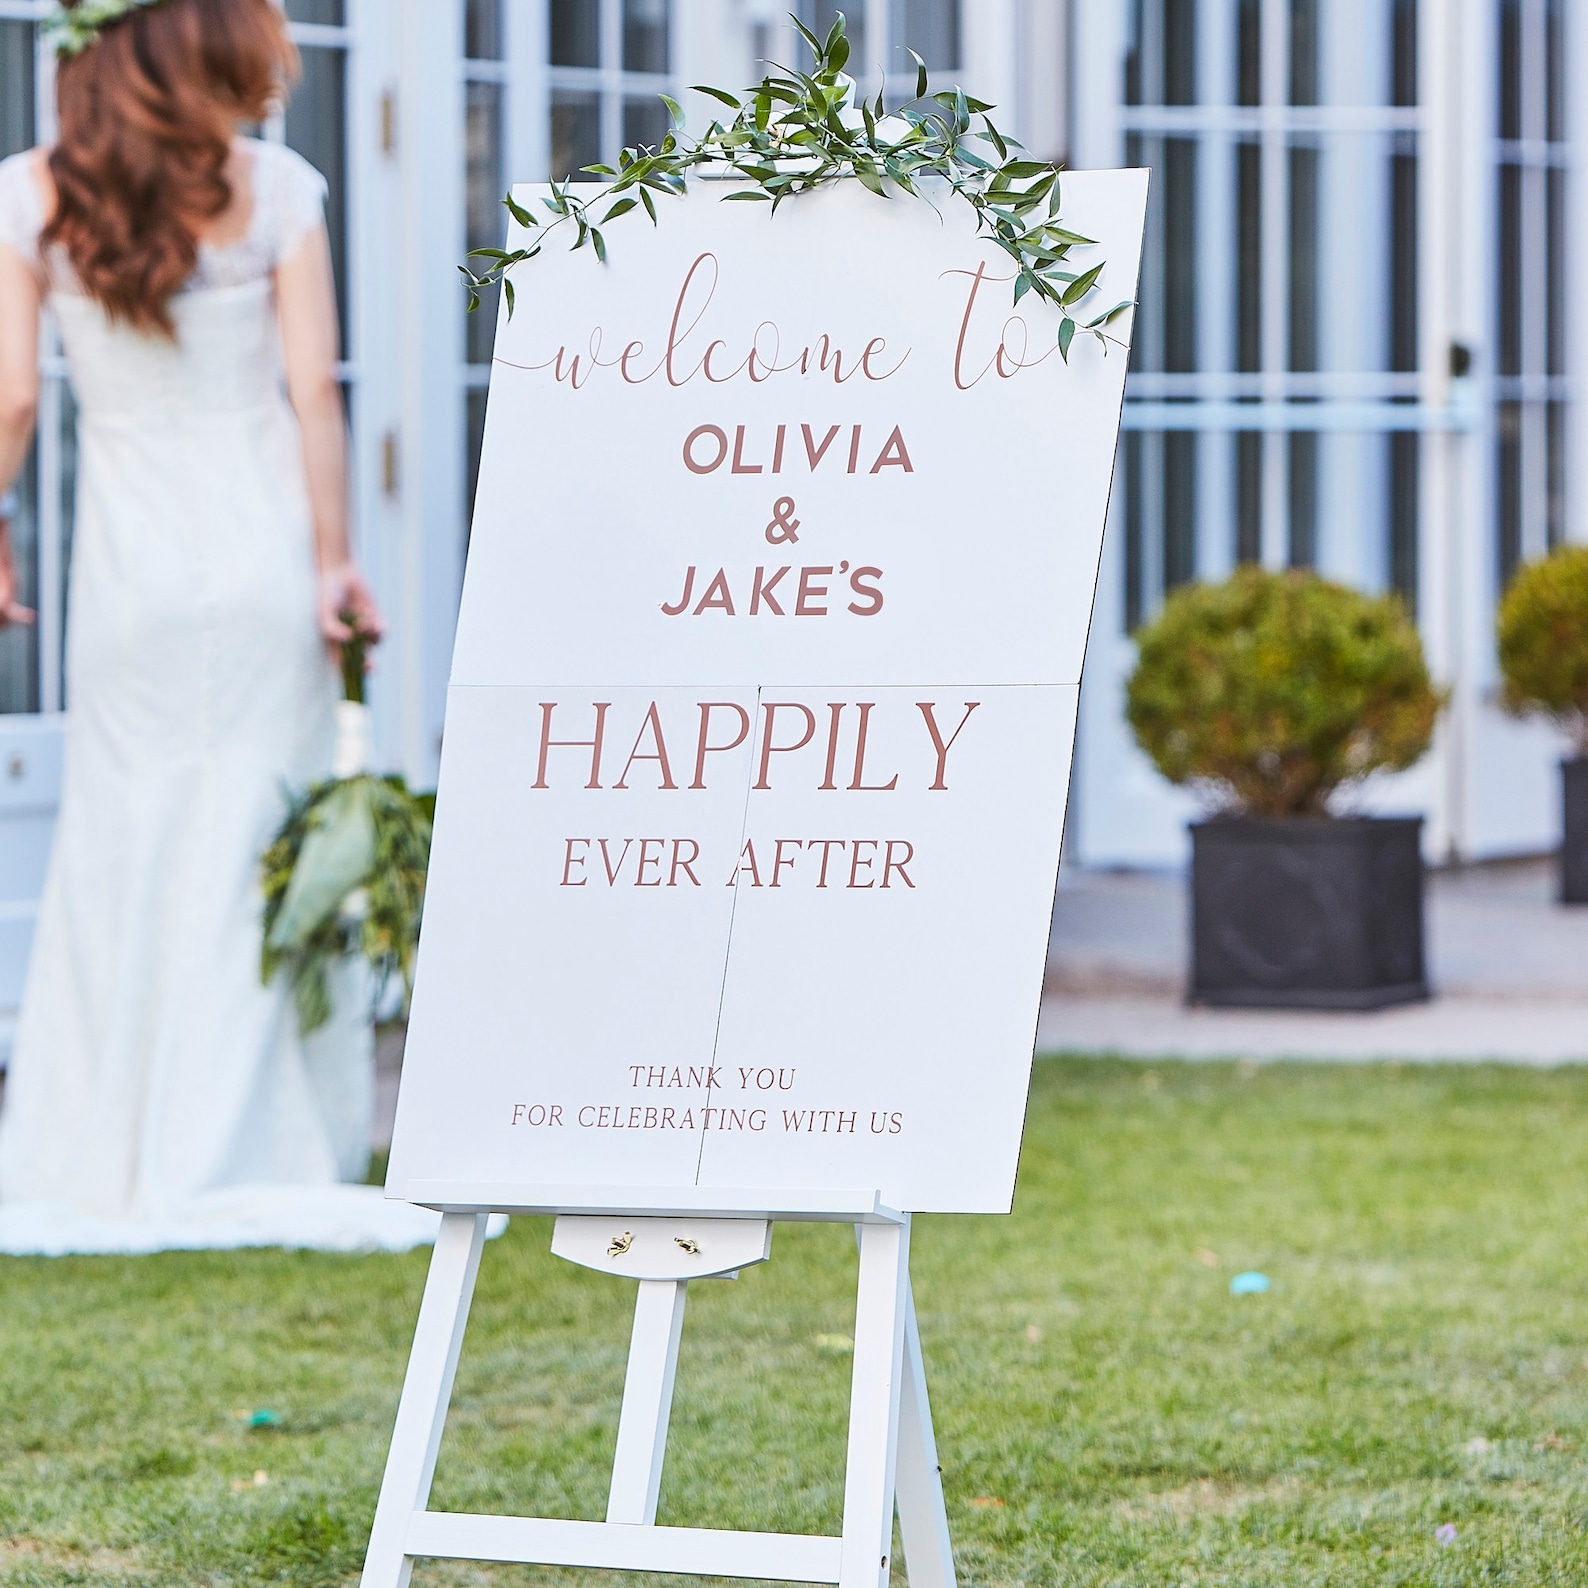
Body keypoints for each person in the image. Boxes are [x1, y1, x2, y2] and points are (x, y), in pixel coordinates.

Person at [0, 0, 438, 1252]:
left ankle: (110, 1148)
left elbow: (15, 401)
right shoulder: (282, 194)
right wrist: (336, 558)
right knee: (255, 835)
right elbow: (311, 391)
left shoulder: (30, 198)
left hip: (130, 576)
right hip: (257, 555)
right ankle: (252, 1140)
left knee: (126, 837)